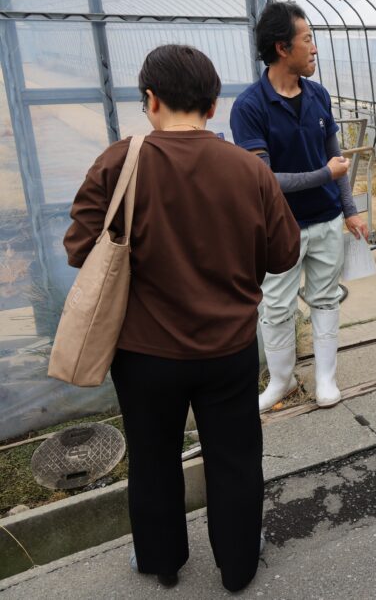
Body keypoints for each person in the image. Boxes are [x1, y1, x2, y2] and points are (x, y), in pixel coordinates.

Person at [64, 45, 300, 591]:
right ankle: (238, 567)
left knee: (152, 458)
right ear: (213, 106)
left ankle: (162, 561)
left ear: (150, 99)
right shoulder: (248, 170)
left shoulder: (118, 163)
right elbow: (284, 254)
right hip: (229, 348)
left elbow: (80, 248)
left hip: (143, 353)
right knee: (235, 458)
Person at [230, 0, 369, 413]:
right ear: (281, 48)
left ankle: (325, 377)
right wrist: (324, 175)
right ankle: (281, 381)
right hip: (280, 228)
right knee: (275, 306)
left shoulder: (318, 95)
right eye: (307, 39)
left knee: (325, 299)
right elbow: (266, 179)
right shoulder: (250, 107)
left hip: (326, 221)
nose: (314, 49)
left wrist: (350, 209)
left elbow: (337, 159)